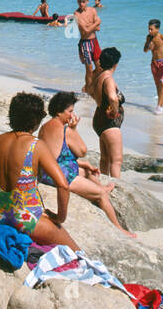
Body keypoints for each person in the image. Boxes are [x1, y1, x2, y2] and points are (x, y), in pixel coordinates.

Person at [0, 92, 76, 246]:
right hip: (27, 221)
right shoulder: (36, 145)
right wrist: (60, 218)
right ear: (36, 120)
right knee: (77, 253)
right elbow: (63, 185)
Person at [38, 92, 136, 237]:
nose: (72, 115)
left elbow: (56, 156)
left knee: (88, 171)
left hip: (48, 172)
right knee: (101, 195)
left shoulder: (45, 126)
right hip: (60, 176)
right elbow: (82, 150)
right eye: (70, 111)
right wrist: (74, 129)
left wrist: (83, 164)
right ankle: (119, 229)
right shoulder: (64, 129)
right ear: (59, 112)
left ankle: (101, 186)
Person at [88, 47, 125, 179]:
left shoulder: (98, 76)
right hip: (109, 123)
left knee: (105, 159)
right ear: (116, 63)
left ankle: (103, 181)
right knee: (116, 160)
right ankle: (116, 187)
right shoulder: (108, 78)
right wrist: (115, 111)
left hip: (99, 119)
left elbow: (89, 91)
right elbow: (112, 97)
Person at [143, 18, 163, 112]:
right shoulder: (148, 37)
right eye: (148, 29)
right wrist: (149, 47)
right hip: (154, 63)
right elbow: (144, 50)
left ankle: (159, 106)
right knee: (157, 85)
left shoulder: (162, 37)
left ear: (157, 29)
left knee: (162, 83)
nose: (149, 31)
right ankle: (161, 104)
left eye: (151, 29)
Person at [74, 0, 102, 91]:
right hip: (85, 43)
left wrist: (91, 26)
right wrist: (96, 22)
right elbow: (85, 31)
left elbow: (98, 28)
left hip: (95, 41)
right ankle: (89, 89)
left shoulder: (92, 10)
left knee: (100, 67)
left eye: (83, 2)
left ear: (87, 1)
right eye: (79, 2)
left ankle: (87, 86)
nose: (81, 4)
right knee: (89, 69)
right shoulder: (76, 14)